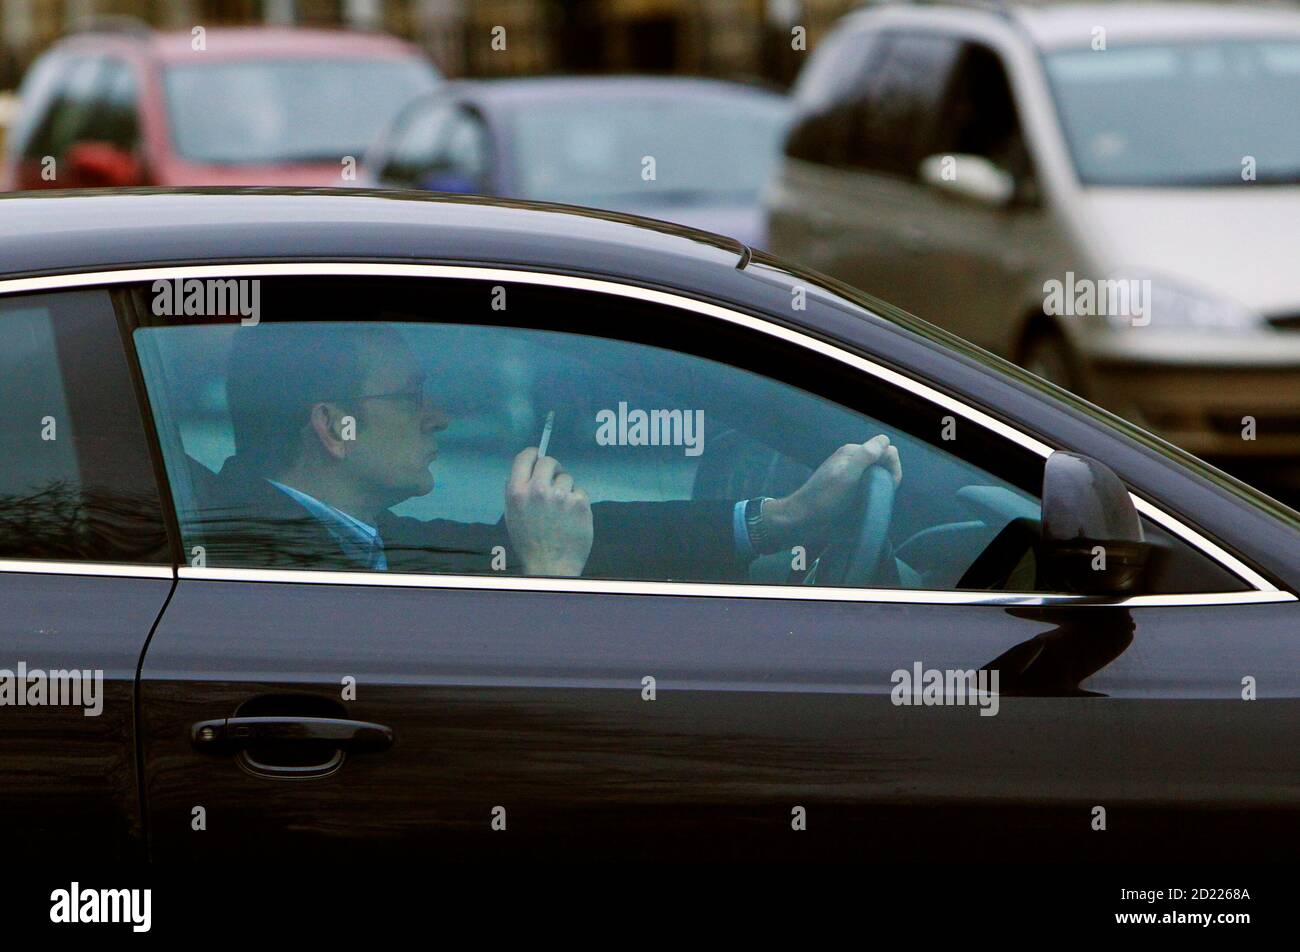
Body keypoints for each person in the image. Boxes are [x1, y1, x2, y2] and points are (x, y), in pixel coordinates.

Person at [195, 323, 901, 581]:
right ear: (332, 426)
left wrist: (780, 519)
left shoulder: (359, 540)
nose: (437, 418)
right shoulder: (254, 562)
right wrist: (552, 579)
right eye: (411, 397)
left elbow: (593, 535)